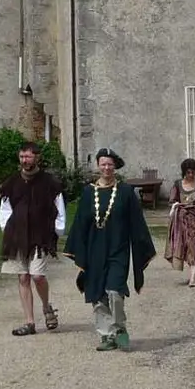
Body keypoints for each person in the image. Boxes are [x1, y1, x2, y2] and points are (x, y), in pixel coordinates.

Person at [65, 148, 157, 352]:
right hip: (94, 250)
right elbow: (81, 222)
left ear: (115, 166)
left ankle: (119, 328)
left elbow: (137, 222)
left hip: (118, 249)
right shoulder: (89, 192)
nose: (106, 168)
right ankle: (106, 336)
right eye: (103, 164)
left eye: (110, 164)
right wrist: (77, 249)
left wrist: (142, 246)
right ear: (98, 165)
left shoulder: (125, 192)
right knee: (98, 295)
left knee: (115, 292)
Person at [0, 141, 64, 336]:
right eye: (21, 157)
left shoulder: (50, 183)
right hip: (17, 236)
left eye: (28, 156)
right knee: (23, 276)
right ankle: (29, 322)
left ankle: (46, 307)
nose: (24, 160)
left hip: (40, 236)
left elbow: (59, 209)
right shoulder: (11, 183)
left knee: (37, 276)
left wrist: (56, 232)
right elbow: (5, 209)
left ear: (37, 157)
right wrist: (7, 230)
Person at [165, 157, 195, 287]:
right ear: (184, 172)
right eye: (188, 172)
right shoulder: (177, 184)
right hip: (182, 221)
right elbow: (172, 200)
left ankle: (192, 277)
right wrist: (176, 205)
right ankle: (193, 273)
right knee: (185, 247)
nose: (190, 175)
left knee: (194, 245)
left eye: (192, 172)